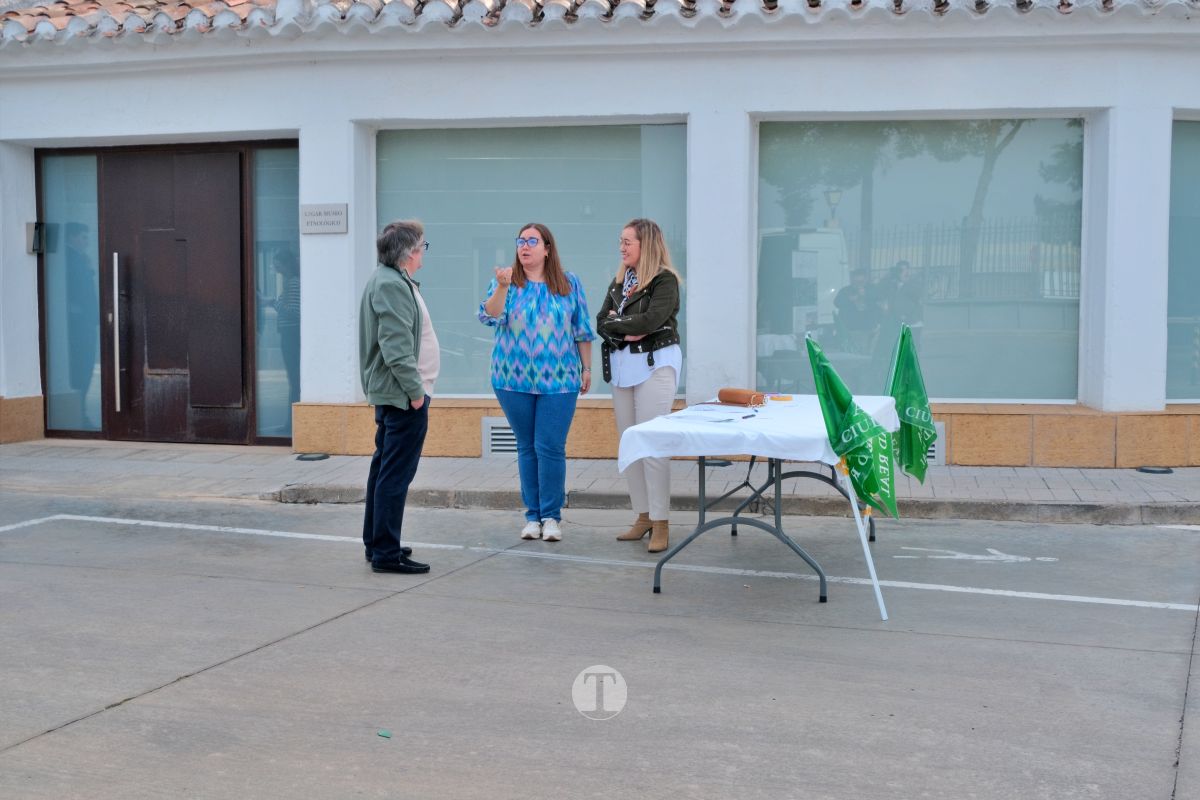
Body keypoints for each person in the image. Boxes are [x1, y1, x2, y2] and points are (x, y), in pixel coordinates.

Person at [479, 223, 594, 542]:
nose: (524, 246)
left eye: (532, 241)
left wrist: (587, 368)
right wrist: (501, 287)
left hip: (559, 381)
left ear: (547, 248)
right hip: (511, 379)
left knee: (551, 447)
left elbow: (582, 329)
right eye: (520, 241)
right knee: (527, 446)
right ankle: (532, 516)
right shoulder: (506, 282)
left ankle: (551, 516)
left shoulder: (569, 283)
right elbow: (489, 316)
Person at [596, 218, 682, 554]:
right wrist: (623, 327)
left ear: (645, 244)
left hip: (655, 366)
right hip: (622, 369)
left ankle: (661, 521)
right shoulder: (619, 283)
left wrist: (621, 325)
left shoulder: (665, 280)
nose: (621, 247)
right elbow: (601, 320)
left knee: (652, 444)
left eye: (628, 241)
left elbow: (652, 320)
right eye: (620, 241)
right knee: (630, 444)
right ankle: (643, 515)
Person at [359, 220, 439, 574]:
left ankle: (378, 543)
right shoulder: (391, 284)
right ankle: (386, 553)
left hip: (398, 393)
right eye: (422, 246)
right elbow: (395, 346)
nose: (424, 253)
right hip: (403, 395)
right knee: (394, 474)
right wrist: (415, 392)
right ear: (409, 252)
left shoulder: (392, 280)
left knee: (384, 468)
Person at [64, 222, 99, 429]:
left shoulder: (78, 258)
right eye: (83, 237)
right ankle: (80, 413)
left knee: (85, 366)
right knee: (81, 366)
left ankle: (81, 411)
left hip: (85, 321)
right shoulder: (69, 259)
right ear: (71, 237)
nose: (86, 241)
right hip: (78, 324)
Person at [272, 248, 301, 407]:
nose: (277, 270)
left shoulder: (293, 283)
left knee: (294, 378)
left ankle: (291, 422)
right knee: (293, 378)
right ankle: (289, 422)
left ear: (286, 265)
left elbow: (295, 312)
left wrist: (273, 303)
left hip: (291, 335)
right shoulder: (289, 282)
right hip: (289, 334)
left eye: (279, 266)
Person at [833, 269, 877, 355]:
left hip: (869, 327)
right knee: (856, 354)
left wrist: (866, 294)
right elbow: (837, 302)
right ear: (852, 281)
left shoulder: (871, 290)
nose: (859, 284)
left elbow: (879, 299)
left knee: (866, 353)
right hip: (852, 328)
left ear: (866, 280)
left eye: (862, 281)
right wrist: (849, 299)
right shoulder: (846, 290)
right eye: (857, 282)